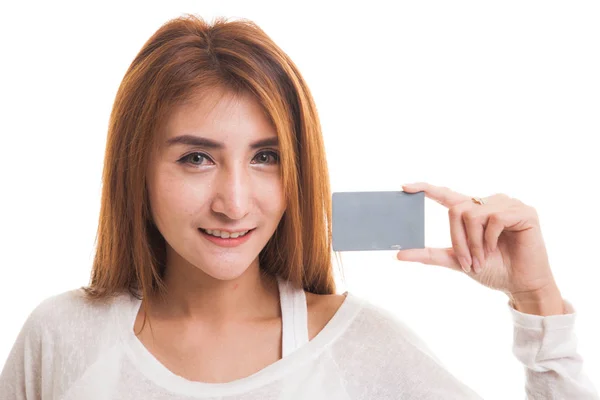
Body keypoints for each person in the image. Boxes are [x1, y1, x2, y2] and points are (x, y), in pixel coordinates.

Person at [0, 13, 597, 399]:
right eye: (196, 159)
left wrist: (537, 301)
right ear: (136, 170)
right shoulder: (61, 339)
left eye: (266, 158)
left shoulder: (358, 348)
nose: (234, 203)